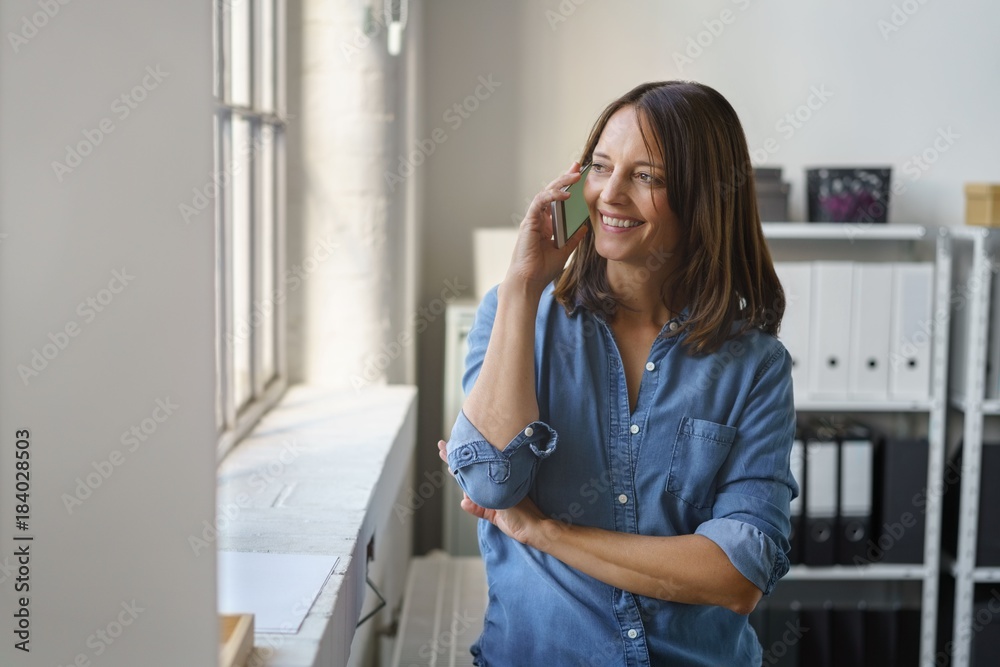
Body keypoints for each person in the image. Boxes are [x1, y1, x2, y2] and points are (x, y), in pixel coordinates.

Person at [436, 80, 797, 666]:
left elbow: (738, 573)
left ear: (703, 198)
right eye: (601, 167)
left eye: (647, 176)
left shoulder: (755, 367)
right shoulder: (517, 314)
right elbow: (492, 484)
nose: (610, 194)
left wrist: (545, 532)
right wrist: (524, 285)